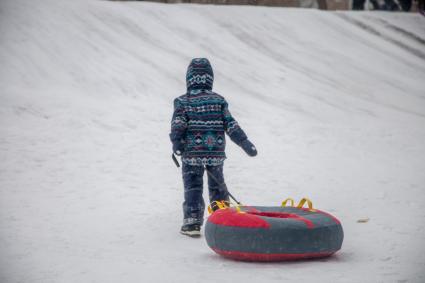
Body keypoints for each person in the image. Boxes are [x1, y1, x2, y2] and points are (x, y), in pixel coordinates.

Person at [170, 58, 257, 237]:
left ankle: (192, 222)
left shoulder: (182, 101)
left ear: (189, 79)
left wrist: (177, 141)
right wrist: (244, 142)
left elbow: (178, 123)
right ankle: (223, 220)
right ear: (210, 79)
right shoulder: (219, 100)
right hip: (214, 152)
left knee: (193, 186)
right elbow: (230, 124)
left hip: (192, 152)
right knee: (218, 186)